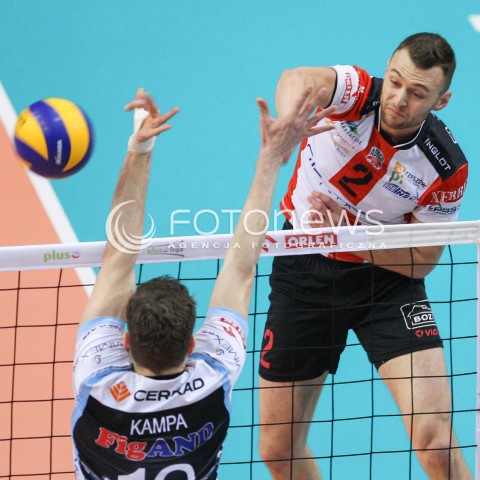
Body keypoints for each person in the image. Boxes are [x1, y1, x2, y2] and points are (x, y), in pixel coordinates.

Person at [71, 86, 335, 478]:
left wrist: (139, 149)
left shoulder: (96, 379)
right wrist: (270, 160)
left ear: (125, 341)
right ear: (192, 344)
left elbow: (117, 258)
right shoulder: (213, 375)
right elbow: (241, 268)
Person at [258, 33, 472, 479]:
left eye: (418, 93)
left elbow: (421, 260)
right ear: (386, 71)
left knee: (435, 443)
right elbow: (296, 78)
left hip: (386, 285)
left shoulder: (445, 166)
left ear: (442, 100)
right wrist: (290, 120)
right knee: (278, 451)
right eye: (395, 81)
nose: (398, 99)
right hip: (304, 275)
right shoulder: (356, 94)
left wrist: (351, 236)